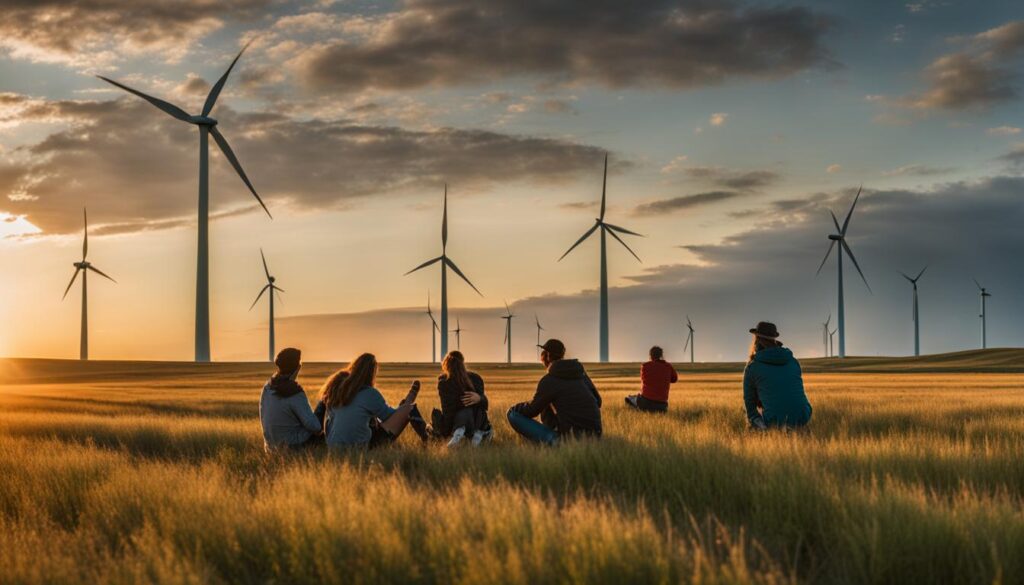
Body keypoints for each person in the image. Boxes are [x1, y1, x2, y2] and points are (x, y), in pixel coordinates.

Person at [321, 353, 429, 449]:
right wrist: (401, 409)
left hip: (333, 446)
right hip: (361, 446)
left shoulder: (339, 390)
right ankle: (430, 439)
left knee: (372, 421)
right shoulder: (369, 393)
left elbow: (329, 422)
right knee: (409, 409)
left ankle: (406, 403)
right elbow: (388, 416)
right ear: (372, 373)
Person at [506, 339, 602, 445]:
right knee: (547, 402)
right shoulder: (581, 375)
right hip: (596, 436)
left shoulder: (549, 380)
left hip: (568, 440)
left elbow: (532, 410)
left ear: (547, 356)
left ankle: (553, 441)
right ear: (562, 355)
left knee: (512, 414)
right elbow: (598, 401)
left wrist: (516, 408)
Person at [743, 322, 812, 430]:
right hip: (803, 416)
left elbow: (750, 406)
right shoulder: (793, 362)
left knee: (751, 418)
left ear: (757, 339)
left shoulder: (753, 367)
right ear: (774, 339)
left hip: (775, 422)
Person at [259, 347, 324, 452]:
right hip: (294, 447)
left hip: (270, 448)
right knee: (323, 404)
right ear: (298, 367)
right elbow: (314, 427)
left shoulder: (267, 387)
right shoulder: (294, 392)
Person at [432, 351, 493, 447]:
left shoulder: (444, 382)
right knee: (472, 410)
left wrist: (446, 432)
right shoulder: (476, 378)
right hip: (477, 421)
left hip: (456, 422)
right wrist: (480, 399)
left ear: (445, 364)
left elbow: (447, 411)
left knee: (463, 412)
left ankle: (458, 432)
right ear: (463, 362)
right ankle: (479, 433)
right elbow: (485, 406)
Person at [625, 346, 677, 412]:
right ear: (661, 355)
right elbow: (674, 379)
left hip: (645, 402)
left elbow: (644, 380)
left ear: (650, 355)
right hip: (662, 406)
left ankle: (639, 415)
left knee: (628, 399)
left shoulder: (645, 366)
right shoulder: (668, 366)